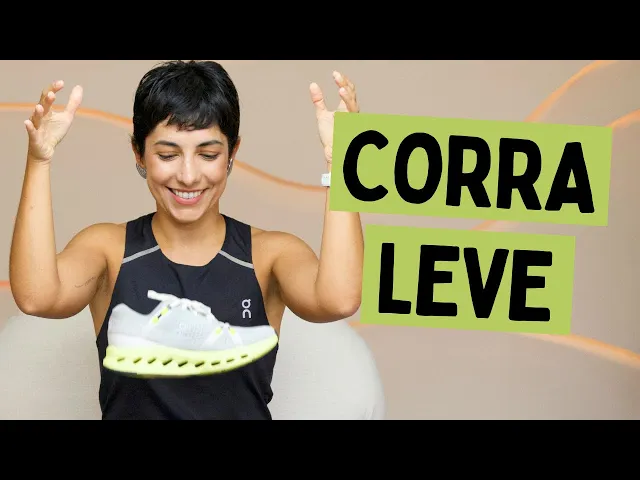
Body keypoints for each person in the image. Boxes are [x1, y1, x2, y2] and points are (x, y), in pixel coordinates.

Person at [9, 60, 364, 420]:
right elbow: (38, 297)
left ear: (232, 153)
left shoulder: (270, 254)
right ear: (139, 153)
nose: (189, 175)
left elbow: (338, 300)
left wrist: (342, 164)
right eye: (168, 155)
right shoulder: (108, 250)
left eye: (208, 154)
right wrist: (40, 160)